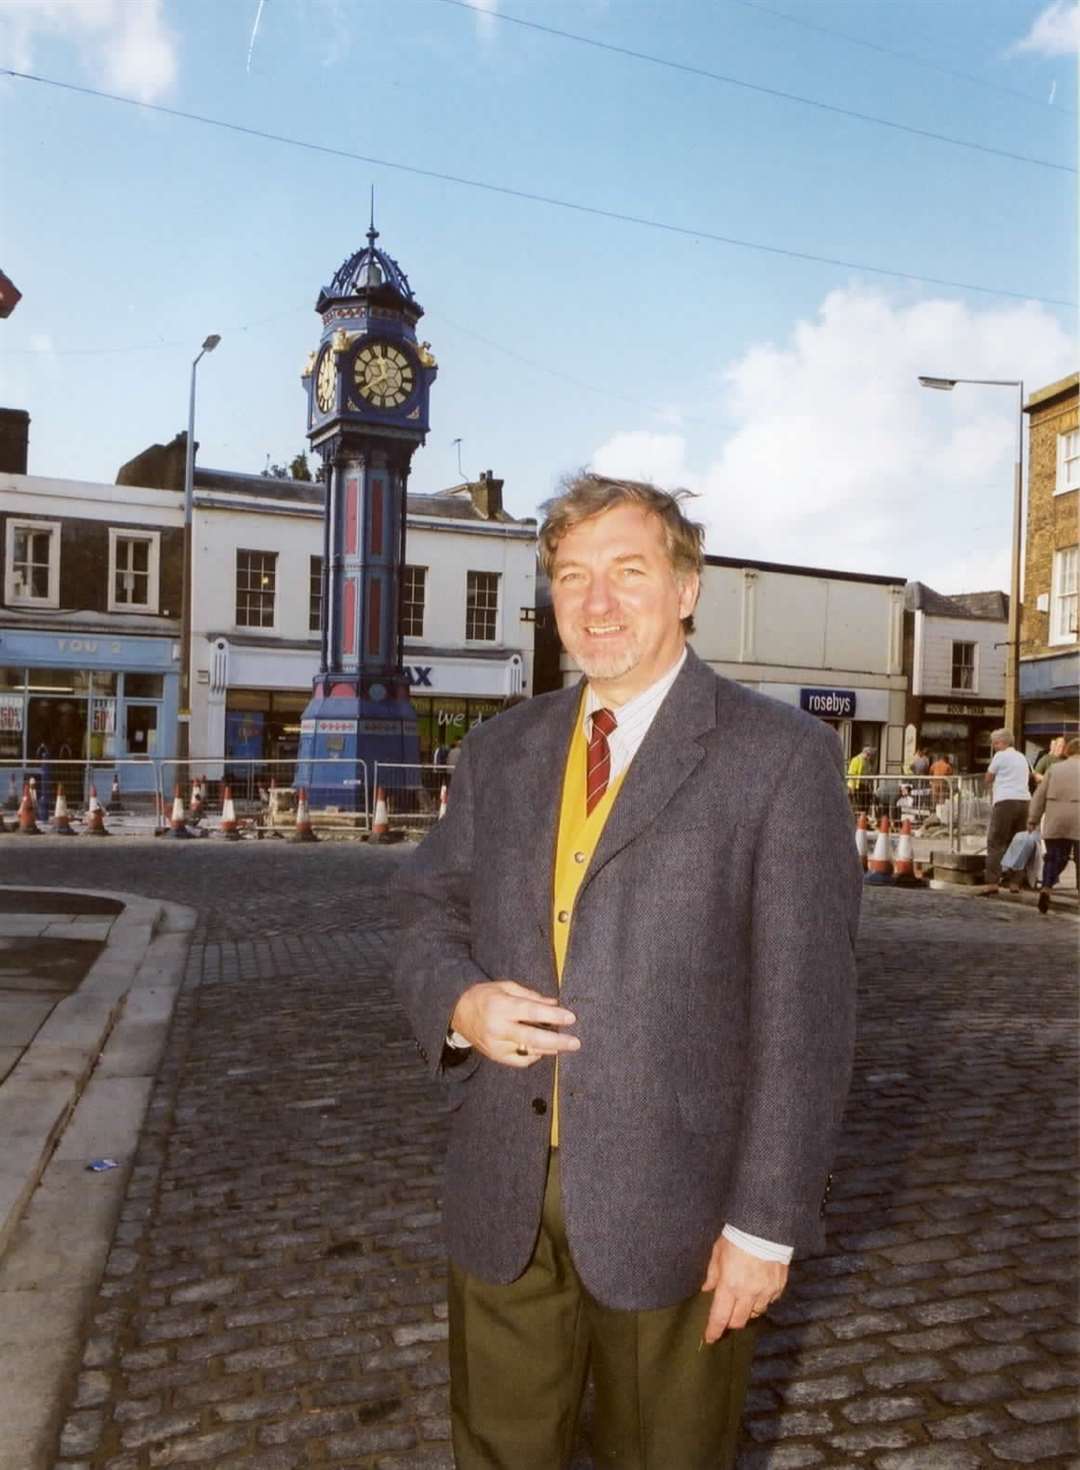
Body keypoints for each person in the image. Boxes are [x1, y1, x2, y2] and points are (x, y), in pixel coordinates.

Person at [394, 473, 861, 1470]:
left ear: (687, 587)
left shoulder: (779, 759)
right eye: (573, 577)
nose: (597, 603)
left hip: (680, 1215)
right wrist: (458, 1002)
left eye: (628, 572)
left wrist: (767, 1227)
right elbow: (432, 910)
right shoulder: (500, 748)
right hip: (502, 1192)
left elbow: (807, 1018)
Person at [1028, 736, 1080, 913]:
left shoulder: (1054, 769)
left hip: (1055, 819)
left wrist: (1032, 819)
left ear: (1068, 751)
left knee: (1053, 857)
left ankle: (1046, 888)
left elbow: (1039, 796)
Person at [981, 729, 1032, 896]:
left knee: (995, 842)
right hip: (1024, 801)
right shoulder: (1023, 757)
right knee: (1018, 842)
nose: (994, 746)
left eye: (995, 743)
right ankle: (1015, 882)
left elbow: (988, 778)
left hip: (1005, 801)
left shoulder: (1000, 756)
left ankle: (992, 883)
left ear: (1003, 742)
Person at [847, 745, 875, 814]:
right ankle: (858, 818)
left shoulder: (867, 761)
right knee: (857, 804)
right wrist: (852, 787)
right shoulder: (856, 760)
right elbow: (852, 774)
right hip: (856, 785)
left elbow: (868, 772)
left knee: (866, 802)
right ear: (865, 753)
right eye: (869, 755)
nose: (870, 757)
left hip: (864, 784)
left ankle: (863, 817)